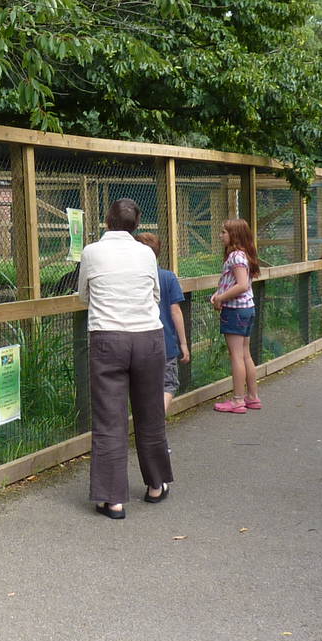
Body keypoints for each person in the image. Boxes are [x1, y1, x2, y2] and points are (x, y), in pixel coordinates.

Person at [77, 198, 173, 516]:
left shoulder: (91, 252)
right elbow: (156, 295)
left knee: (109, 418)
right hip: (148, 338)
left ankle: (113, 498)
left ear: (107, 220)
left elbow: (84, 296)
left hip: (107, 337)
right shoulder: (146, 253)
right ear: (137, 224)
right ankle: (156, 484)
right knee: (150, 414)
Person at [209, 218, 263, 412]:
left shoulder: (235, 256)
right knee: (245, 354)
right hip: (247, 309)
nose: (221, 235)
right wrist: (219, 293)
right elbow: (234, 282)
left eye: (224, 232)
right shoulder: (244, 255)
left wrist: (221, 298)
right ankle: (252, 396)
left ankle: (238, 399)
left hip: (235, 311)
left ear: (234, 236)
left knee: (236, 356)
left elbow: (242, 285)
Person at [136, 232, 189, 415]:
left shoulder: (134, 279)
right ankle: (156, 419)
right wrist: (183, 343)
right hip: (166, 342)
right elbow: (175, 311)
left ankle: (148, 419)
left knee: (144, 386)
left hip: (139, 341)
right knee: (168, 385)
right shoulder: (168, 277)